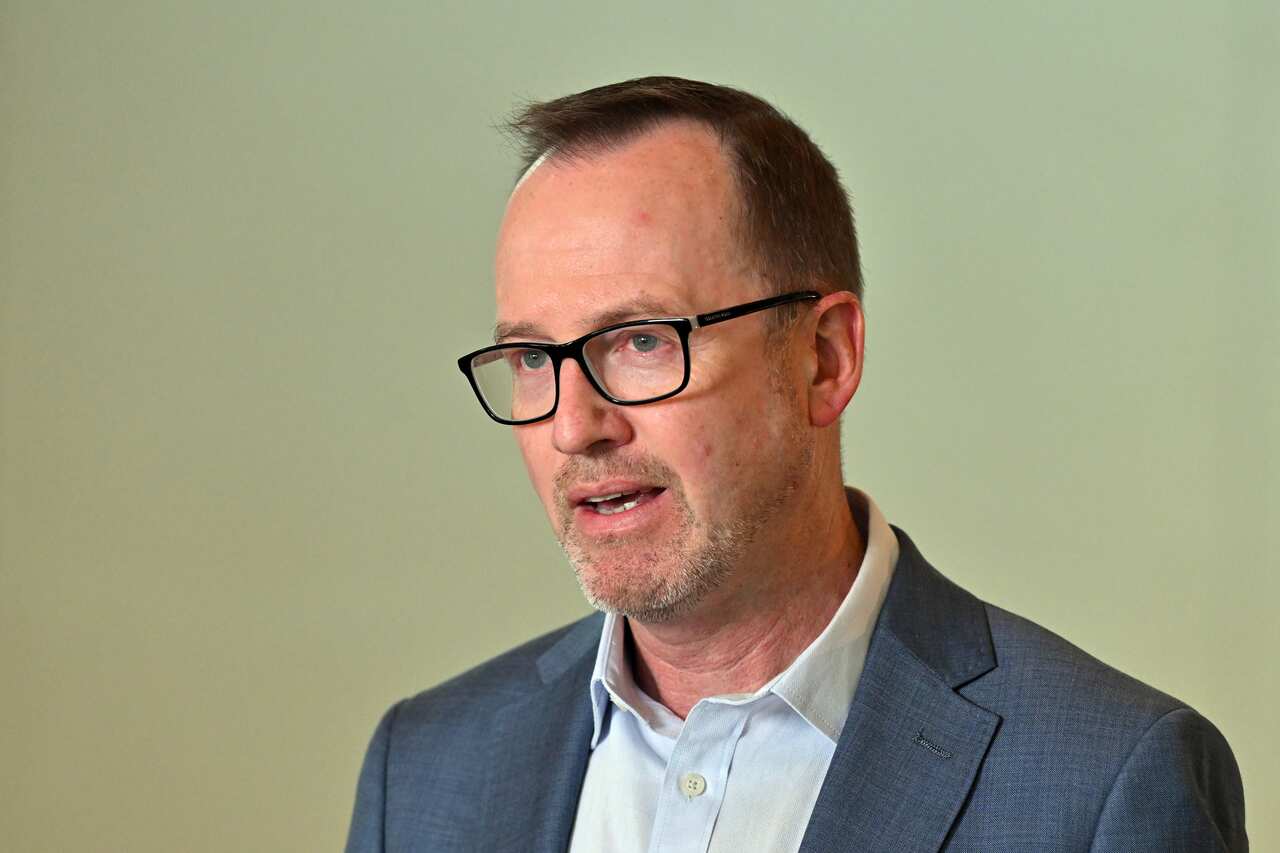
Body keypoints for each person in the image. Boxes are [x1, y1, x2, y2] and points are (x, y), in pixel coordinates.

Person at [344, 76, 1247, 852]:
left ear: (824, 358)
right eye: (535, 357)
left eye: (643, 341)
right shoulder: (422, 772)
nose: (575, 426)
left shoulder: (1106, 784)